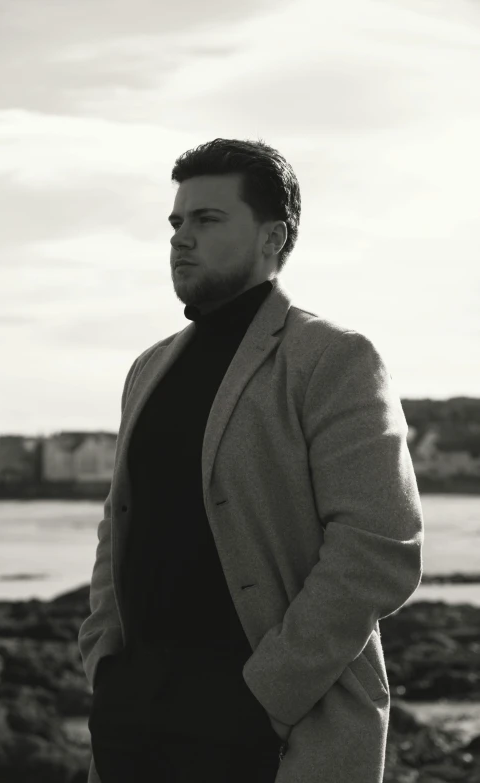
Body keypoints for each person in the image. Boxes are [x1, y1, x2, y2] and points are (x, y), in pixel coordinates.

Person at [78, 138, 424, 783]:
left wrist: (266, 693)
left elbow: (380, 545)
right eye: (178, 222)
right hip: (133, 727)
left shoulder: (332, 357)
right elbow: (119, 526)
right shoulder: (149, 367)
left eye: (208, 220)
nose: (182, 238)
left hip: (266, 733)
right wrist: (104, 663)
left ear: (274, 235)